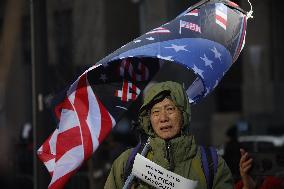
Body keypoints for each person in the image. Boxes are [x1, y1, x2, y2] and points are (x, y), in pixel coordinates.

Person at [104, 81, 234, 188]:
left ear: (183, 114)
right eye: (156, 112)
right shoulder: (127, 162)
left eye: (170, 109)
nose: (163, 118)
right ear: (148, 119)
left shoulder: (212, 164)